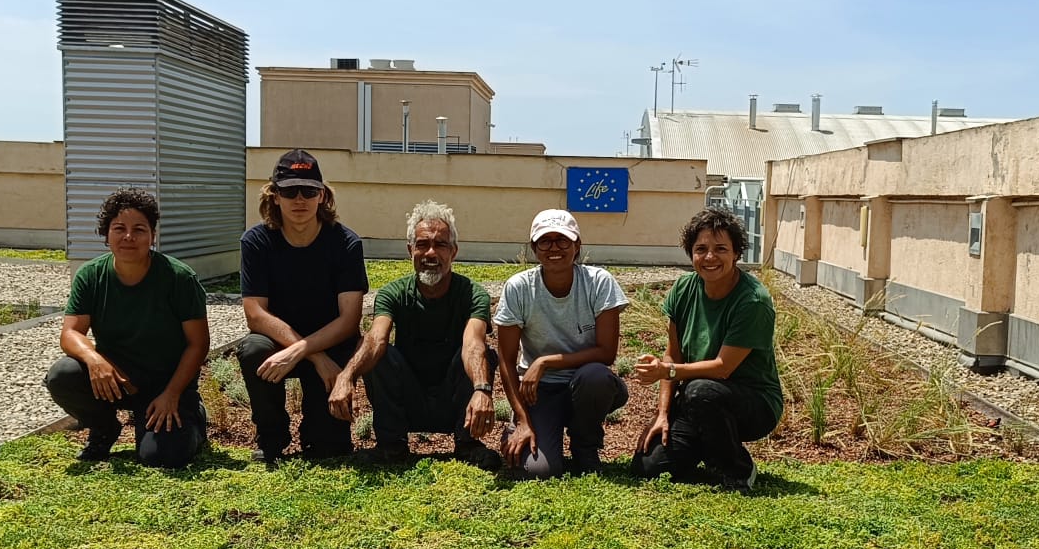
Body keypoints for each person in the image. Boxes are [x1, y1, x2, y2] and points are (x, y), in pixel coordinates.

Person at [45, 186, 211, 467]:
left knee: (161, 457)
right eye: (119, 228)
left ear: (153, 236)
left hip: (166, 384)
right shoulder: (91, 275)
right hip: (117, 379)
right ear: (106, 234)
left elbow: (199, 343)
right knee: (63, 374)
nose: (129, 237)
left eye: (140, 229)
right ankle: (104, 428)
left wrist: (171, 395)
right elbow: (71, 333)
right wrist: (94, 360)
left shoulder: (179, 278)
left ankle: (193, 417)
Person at [329, 200, 501, 468]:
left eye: (440, 244)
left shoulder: (472, 294)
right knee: (379, 353)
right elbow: (376, 338)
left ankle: (468, 444)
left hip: (454, 399)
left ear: (453, 252)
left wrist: (482, 389)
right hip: (408, 400)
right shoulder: (393, 293)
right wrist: (346, 376)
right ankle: (391, 446)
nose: (431, 253)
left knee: (484, 356)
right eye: (422, 245)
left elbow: (473, 344)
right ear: (410, 250)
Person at [629, 206, 783, 491]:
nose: (710, 257)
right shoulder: (683, 290)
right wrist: (662, 413)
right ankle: (710, 446)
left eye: (721, 248)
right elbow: (672, 353)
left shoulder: (753, 301)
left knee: (703, 390)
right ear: (691, 253)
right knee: (649, 466)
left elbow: (723, 369)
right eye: (701, 249)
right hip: (697, 399)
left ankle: (738, 468)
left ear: (737, 253)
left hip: (752, 402)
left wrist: (667, 371)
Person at [235, 149, 369, 464]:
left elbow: (350, 321)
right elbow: (255, 314)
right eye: (289, 190)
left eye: (309, 191)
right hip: (278, 344)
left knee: (328, 448)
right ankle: (271, 438)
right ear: (274, 196)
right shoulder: (256, 242)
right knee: (253, 348)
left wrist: (307, 352)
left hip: (332, 340)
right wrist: (310, 354)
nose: (299, 199)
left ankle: (322, 433)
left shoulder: (346, 244)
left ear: (322, 196)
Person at [493, 209, 629, 477]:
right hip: (540, 391)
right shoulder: (518, 287)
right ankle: (519, 427)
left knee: (596, 377)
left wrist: (545, 361)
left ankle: (585, 446)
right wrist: (522, 420)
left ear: (577, 246)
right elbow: (506, 359)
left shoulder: (598, 282)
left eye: (563, 240)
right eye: (545, 241)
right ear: (534, 248)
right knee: (540, 470)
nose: (554, 248)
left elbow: (606, 352)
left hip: (586, 384)